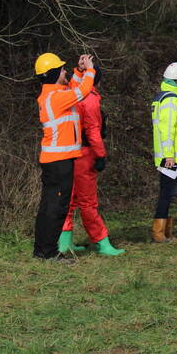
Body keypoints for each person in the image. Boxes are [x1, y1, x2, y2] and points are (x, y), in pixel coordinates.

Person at [33, 52, 94, 261]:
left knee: (48, 207)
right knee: (56, 208)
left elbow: (74, 88)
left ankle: (42, 250)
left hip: (56, 162)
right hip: (59, 163)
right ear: (53, 74)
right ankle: (49, 252)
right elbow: (82, 91)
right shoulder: (57, 98)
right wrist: (90, 70)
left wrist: (80, 71)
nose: (65, 71)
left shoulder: (54, 95)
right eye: (62, 69)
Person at [59, 65, 125, 256]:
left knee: (69, 199)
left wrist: (79, 71)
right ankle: (101, 242)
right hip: (85, 154)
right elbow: (93, 131)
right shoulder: (90, 99)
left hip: (69, 152)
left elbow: (75, 83)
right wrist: (101, 155)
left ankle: (64, 243)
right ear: (98, 81)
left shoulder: (72, 92)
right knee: (88, 202)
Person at [151, 62, 177, 243]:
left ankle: (164, 231)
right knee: (166, 193)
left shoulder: (163, 97)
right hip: (170, 157)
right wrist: (169, 155)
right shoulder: (172, 99)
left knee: (168, 192)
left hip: (169, 156)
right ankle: (159, 233)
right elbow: (167, 129)